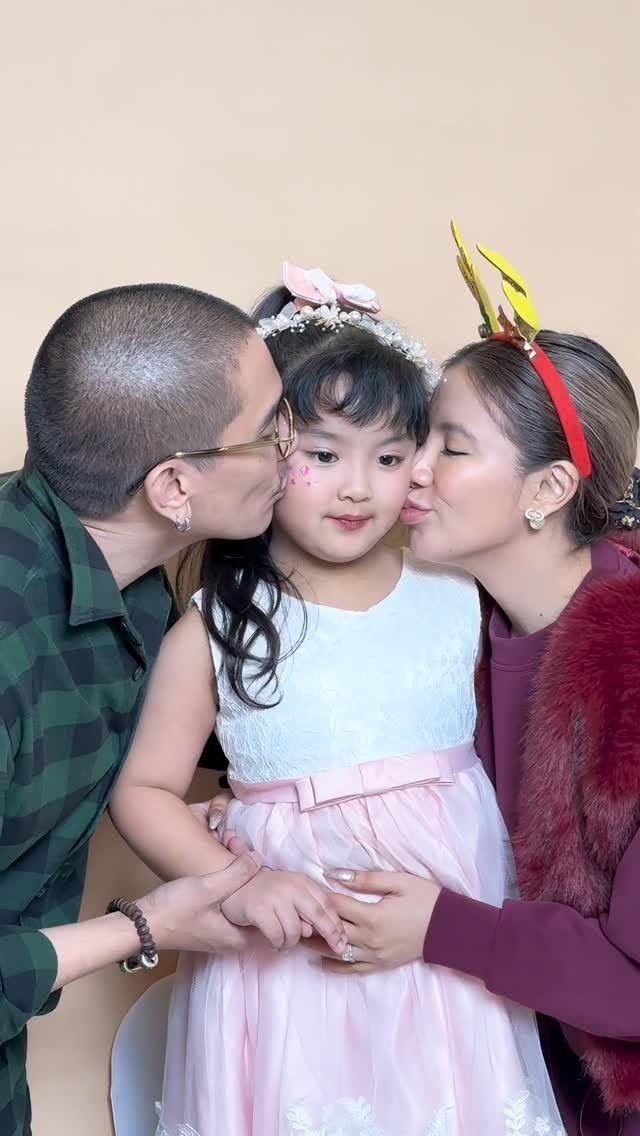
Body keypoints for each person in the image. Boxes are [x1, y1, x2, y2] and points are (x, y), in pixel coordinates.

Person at [110, 263, 565, 1135]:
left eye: (390, 458)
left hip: (446, 943)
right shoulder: (217, 628)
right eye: (323, 455)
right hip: (287, 958)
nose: (360, 486)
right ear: (266, 451)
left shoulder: (456, 592)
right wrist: (244, 881)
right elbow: (144, 790)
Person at [307, 236, 640, 1136]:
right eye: (421, 437)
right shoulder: (456, 628)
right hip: (499, 1077)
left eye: (449, 448)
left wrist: (441, 929)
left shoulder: (631, 662)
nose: (409, 470)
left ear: (549, 488)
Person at [0, 281, 306, 1136]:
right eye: (272, 430)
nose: (292, 453)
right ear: (174, 485)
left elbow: (164, 746)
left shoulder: (128, 587)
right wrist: (148, 924)